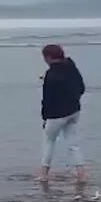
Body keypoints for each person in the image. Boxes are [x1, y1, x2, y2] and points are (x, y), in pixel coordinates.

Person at [39, 44, 86, 183]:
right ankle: (81, 173)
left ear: (48, 57)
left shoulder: (51, 74)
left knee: (49, 141)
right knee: (73, 144)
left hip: (56, 114)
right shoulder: (72, 68)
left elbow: (47, 99)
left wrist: (44, 117)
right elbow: (81, 88)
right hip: (74, 111)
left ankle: (43, 174)